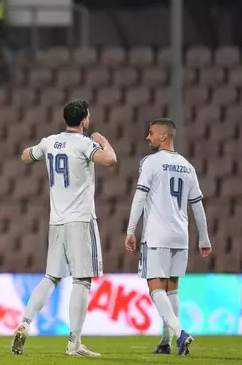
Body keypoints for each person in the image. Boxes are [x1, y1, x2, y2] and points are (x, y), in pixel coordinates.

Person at [11, 100, 117, 357]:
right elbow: (111, 160)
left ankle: (24, 322)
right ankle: (74, 343)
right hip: (80, 220)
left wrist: (37, 152)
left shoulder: (50, 141)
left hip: (55, 221)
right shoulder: (85, 143)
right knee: (81, 280)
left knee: (51, 278)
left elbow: (25, 156)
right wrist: (102, 140)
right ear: (84, 121)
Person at [124, 118, 211, 356]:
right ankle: (166, 342)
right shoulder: (187, 165)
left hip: (157, 234)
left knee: (155, 287)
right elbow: (197, 206)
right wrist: (204, 238)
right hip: (180, 236)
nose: (147, 137)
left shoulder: (151, 162)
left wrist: (131, 230)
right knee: (172, 289)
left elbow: (140, 198)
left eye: (151, 133)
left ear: (164, 136)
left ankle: (180, 332)